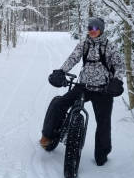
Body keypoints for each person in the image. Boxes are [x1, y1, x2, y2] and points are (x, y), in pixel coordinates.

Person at [40, 17, 125, 166]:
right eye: (90, 28)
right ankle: (49, 136)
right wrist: (61, 71)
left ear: (101, 30)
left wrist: (117, 81)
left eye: (95, 28)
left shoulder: (109, 46)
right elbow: (73, 58)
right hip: (84, 86)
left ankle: (102, 154)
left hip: (103, 89)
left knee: (103, 123)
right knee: (59, 103)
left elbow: (119, 65)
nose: (92, 31)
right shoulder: (84, 44)